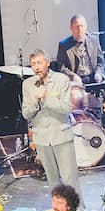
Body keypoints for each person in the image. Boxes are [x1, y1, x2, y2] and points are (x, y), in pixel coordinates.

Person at [22, 49, 79, 191]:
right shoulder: (27, 84)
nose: (36, 67)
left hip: (61, 136)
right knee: (53, 181)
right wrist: (36, 100)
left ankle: (77, 206)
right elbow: (26, 114)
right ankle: (57, 205)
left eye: (39, 63)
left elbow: (66, 108)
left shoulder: (61, 80)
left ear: (47, 63)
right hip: (42, 138)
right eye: (33, 64)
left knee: (70, 180)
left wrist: (46, 98)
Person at [55, 14, 104, 84]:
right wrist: (73, 76)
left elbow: (101, 61)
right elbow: (61, 67)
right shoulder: (64, 45)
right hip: (76, 80)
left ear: (86, 27)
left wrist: (99, 73)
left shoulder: (94, 40)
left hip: (93, 77)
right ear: (71, 28)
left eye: (82, 26)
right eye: (77, 27)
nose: (80, 30)